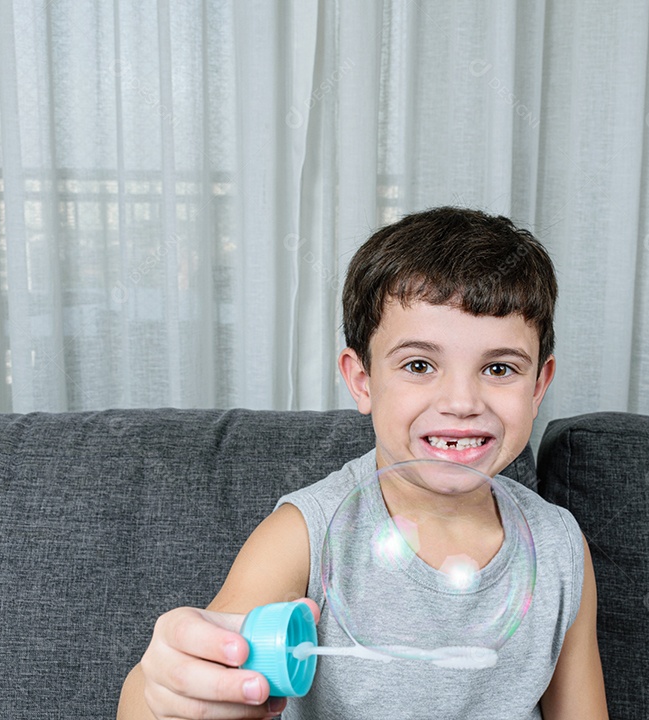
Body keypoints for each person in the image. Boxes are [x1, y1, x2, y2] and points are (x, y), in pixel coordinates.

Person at [118, 207, 609, 719]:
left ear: (539, 385)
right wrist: (160, 695)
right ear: (362, 380)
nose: (462, 401)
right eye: (419, 365)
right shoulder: (304, 537)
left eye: (499, 367)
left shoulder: (559, 547)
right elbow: (194, 680)